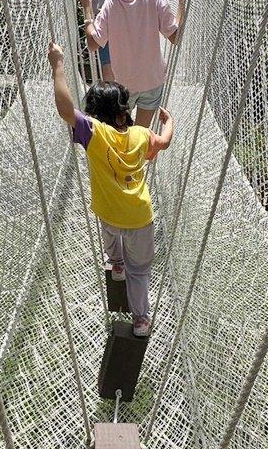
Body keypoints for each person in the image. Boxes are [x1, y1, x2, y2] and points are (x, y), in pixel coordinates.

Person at [48, 41, 174, 337]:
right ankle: (141, 320)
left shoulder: (93, 133)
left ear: (94, 114)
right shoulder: (142, 135)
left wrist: (57, 64)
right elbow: (164, 142)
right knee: (139, 271)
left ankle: (114, 264)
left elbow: (65, 109)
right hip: (140, 217)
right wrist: (169, 123)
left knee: (111, 238)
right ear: (123, 113)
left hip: (108, 213)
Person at [80, 0, 186, 128]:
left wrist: (87, 9)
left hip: (123, 86)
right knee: (141, 137)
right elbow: (175, 37)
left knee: (122, 135)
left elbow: (93, 43)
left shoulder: (110, 5)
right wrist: (181, 3)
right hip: (152, 81)